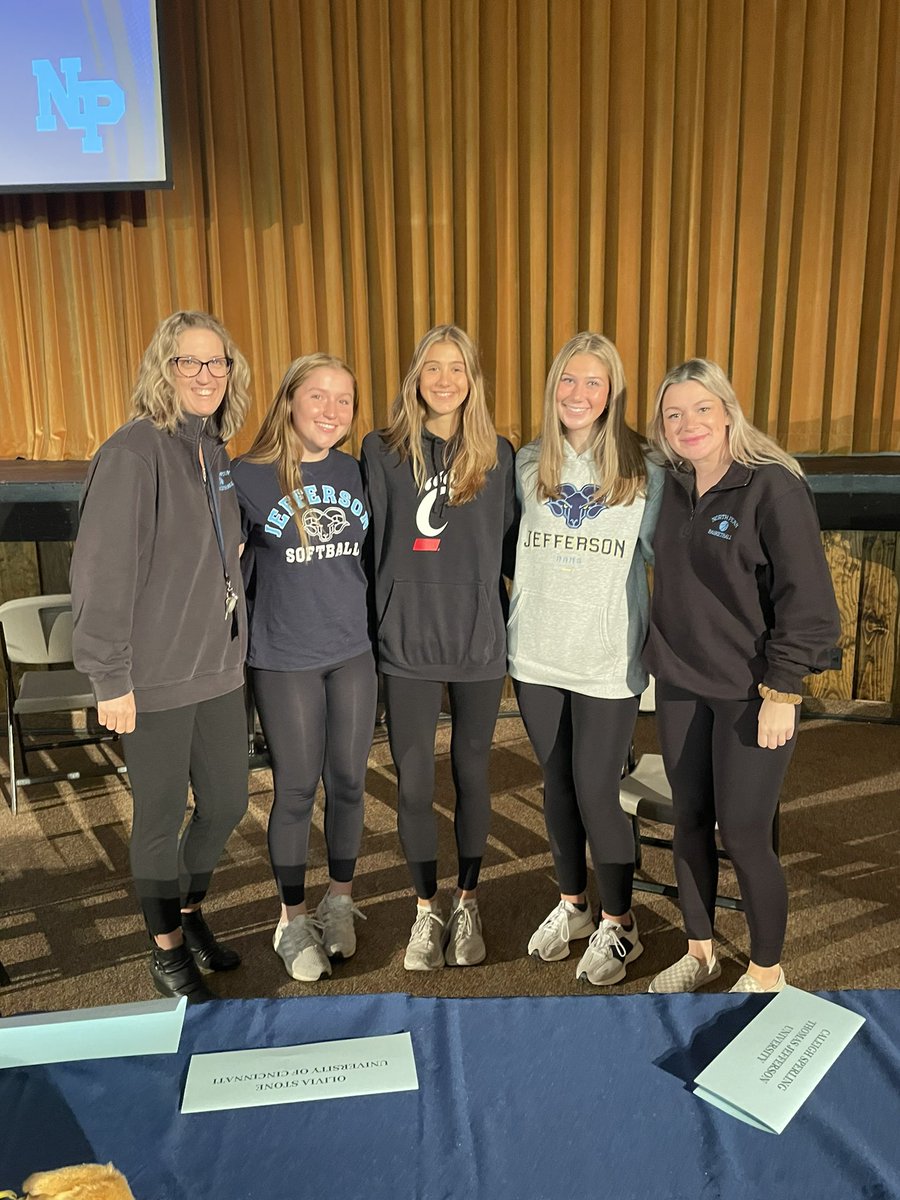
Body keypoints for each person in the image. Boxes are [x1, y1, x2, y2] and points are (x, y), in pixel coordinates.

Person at [71, 310, 252, 1004]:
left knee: (229, 803)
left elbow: (217, 549)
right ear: (163, 370)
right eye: (189, 363)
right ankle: (165, 947)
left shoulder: (213, 450)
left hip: (216, 669)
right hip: (150, 680)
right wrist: (109, 676)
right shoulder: (132, 452)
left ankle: (188, 908)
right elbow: (101, 573)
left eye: (218, 363)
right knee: (159, 816)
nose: (206, 376)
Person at [643, 358, 840, 994]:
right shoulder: (669, 486)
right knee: (691, 818)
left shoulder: (772, 487)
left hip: (753, 692)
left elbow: (807, 600)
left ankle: (764, 970)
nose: (688, 423)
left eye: (702, 408)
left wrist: (784, 690)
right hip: (678, 684)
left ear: (728, 410)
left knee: (747, 832)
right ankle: (700, 952)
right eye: (674, 414)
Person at [508, 332, 663, 985]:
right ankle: (573, 904)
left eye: (593, 383)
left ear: (612, 392)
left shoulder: (643, 469)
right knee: (557, 782)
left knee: (599, 789)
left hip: (605, 661)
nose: (578, 394)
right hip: (537, 655)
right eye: (568, 381)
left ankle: (620, 923)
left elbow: (673, 563)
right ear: (553, 389)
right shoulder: (527, 462)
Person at [361, 325, 517, 971]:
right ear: (415, 377)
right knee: (415, 784)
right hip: (408, 641)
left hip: (478, 640)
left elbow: (513, 550)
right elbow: (366, 543)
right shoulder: (382, 450)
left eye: (457, 367)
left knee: (474, 776)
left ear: (473, 378)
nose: (445, 379)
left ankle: (467, 899)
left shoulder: (500, 453)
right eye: (433, 366)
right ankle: (426, 909)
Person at [233, 354, 376, 983]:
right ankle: (291, 920)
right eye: (318, 396)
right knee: (295, 788)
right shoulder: (248, 475)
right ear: (289, 399)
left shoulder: (356, 470)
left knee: (349, 782)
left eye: (344, 400)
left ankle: (339, 901)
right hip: (284, 656)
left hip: (352, 651)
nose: (332, 411)